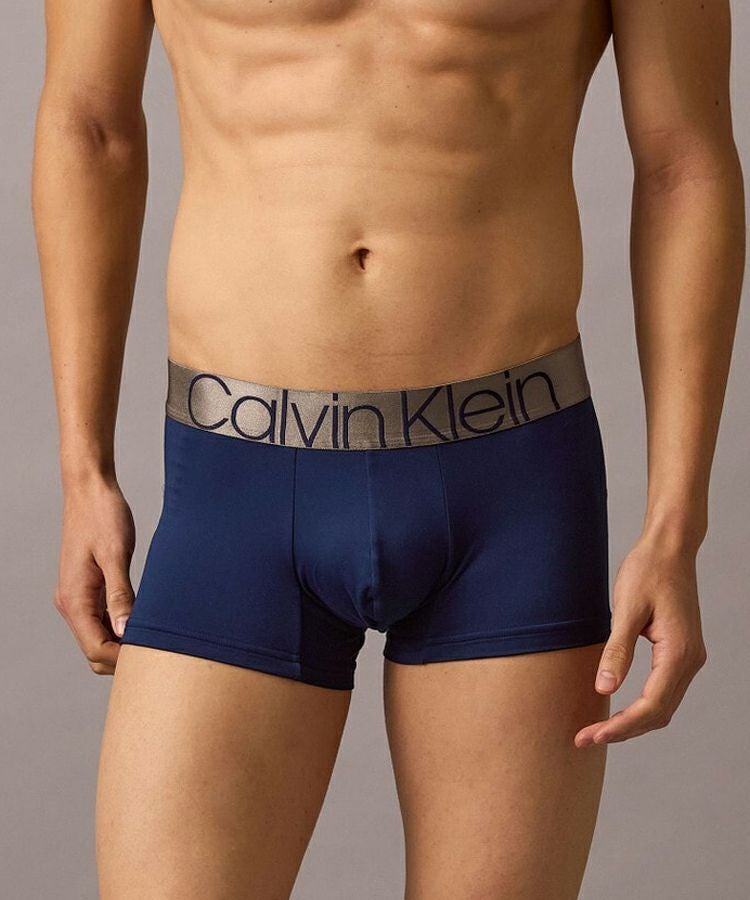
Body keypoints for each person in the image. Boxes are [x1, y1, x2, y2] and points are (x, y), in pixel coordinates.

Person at [32, 0, 744, 897]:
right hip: (236, 485)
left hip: (509, 490)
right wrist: (83, 469)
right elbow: (89, 124)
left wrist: (676, 525)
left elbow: (683, 164)